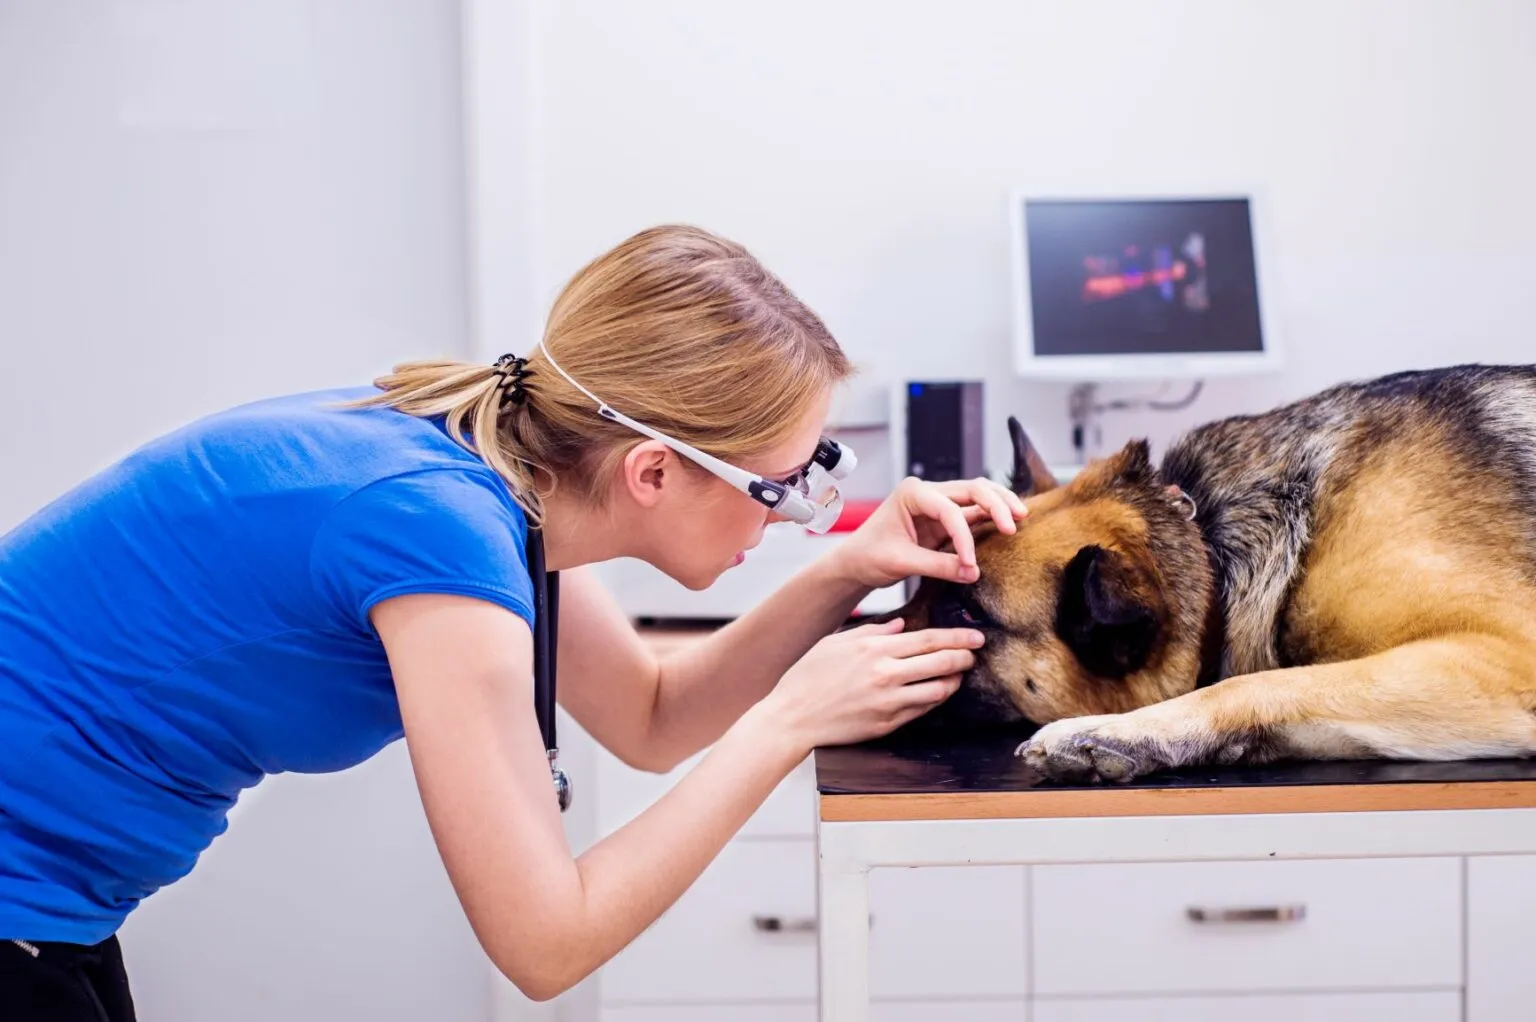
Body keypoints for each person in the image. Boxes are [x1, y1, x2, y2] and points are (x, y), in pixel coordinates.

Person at [0, 224, 1025, 1017]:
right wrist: (785, 722)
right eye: (780, 486)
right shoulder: (435, 536)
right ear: (654, 469)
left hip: (58, 903)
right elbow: (545, 944)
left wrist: (845, 569)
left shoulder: (493, 467)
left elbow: (650, 714)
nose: (801, 509)